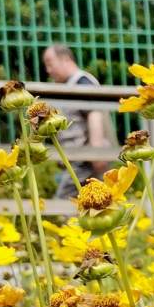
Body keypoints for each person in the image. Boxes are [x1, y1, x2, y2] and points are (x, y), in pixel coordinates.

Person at [42, 44, 111, 198]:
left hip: (86, 160)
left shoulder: (83, 83)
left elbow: (95, 115)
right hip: (78, 159)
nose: (48, 70)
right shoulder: (70, 85)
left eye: (50, 64)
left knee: (64, 205)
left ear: (65, 59)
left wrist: (97, 153)